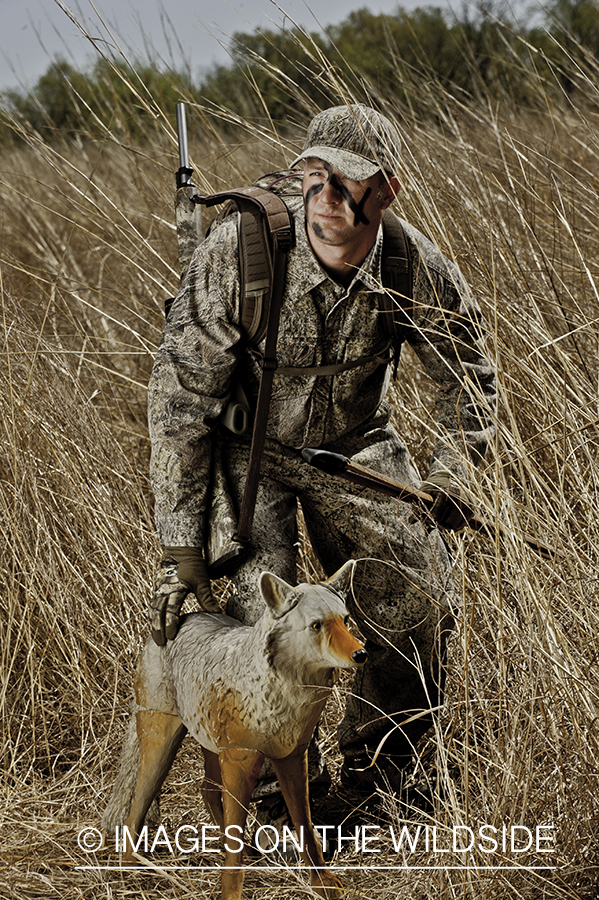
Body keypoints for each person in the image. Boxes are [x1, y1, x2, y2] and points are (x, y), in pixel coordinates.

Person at [147, 104, 495, 804]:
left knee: (417, 599)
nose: (327, 196)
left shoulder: (411, 263)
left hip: (356, 446)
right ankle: (273, 801)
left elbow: (467, 377)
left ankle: (383, 785)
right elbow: (180, 398)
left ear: (387, 191)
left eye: (349, 182)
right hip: (245, 454)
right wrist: (180, 546)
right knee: (257, 623)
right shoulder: (240, 250)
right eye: (314, 175)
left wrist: (453, 473)